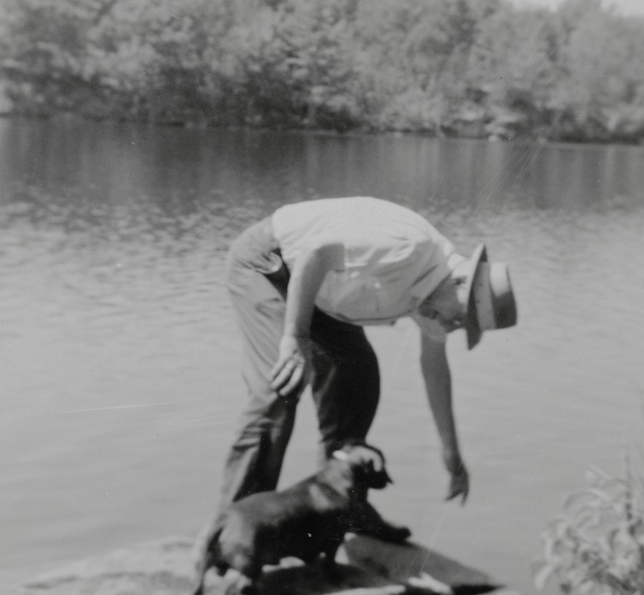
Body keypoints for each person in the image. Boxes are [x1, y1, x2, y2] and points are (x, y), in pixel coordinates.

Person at [202, 195, 517, 544]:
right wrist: (295, 336)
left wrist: (451, 452)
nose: (449, 326)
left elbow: (435, 370)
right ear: (460, 283)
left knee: (358, 375)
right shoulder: (408, 249)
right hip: (269, 264)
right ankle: (232, 532)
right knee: (280, 387)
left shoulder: (439, 299)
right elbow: (315, 253)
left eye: (461, 327)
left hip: (318, 292)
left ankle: (343, 509)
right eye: (458, 319)